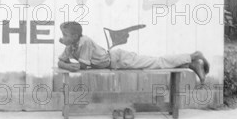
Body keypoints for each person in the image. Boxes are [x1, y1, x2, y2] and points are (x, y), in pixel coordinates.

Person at [57, 21, 209, 84]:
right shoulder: (71, 46)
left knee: (157, 62)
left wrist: (67, 65)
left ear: (75, 36)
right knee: (157, 64)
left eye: (65, 36)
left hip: (119, 59)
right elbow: (60, 61)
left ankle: (193, 55)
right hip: (114, 63)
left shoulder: (84, 41)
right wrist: (65, 63)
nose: (62, 39)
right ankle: (191, 64)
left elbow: (82, 67)